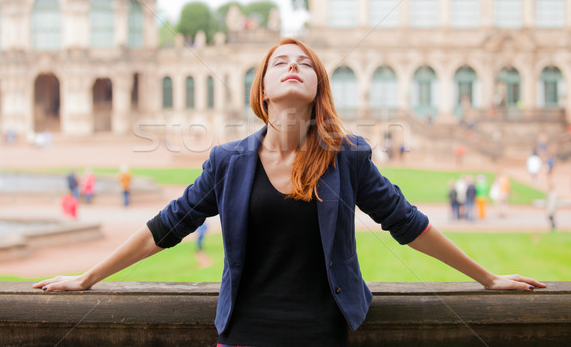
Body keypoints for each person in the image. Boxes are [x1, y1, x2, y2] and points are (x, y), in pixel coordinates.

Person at [34, 38, 545, 346]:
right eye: (281, 62)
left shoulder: (347, 157)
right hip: (244, 337)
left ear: (318, 88)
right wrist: (87, 278)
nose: (293, 66)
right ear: (262, 91)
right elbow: (164, 229)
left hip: (321, 338)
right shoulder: (228, 162)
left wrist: (487, 278)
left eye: (304, 63)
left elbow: (408, 225)